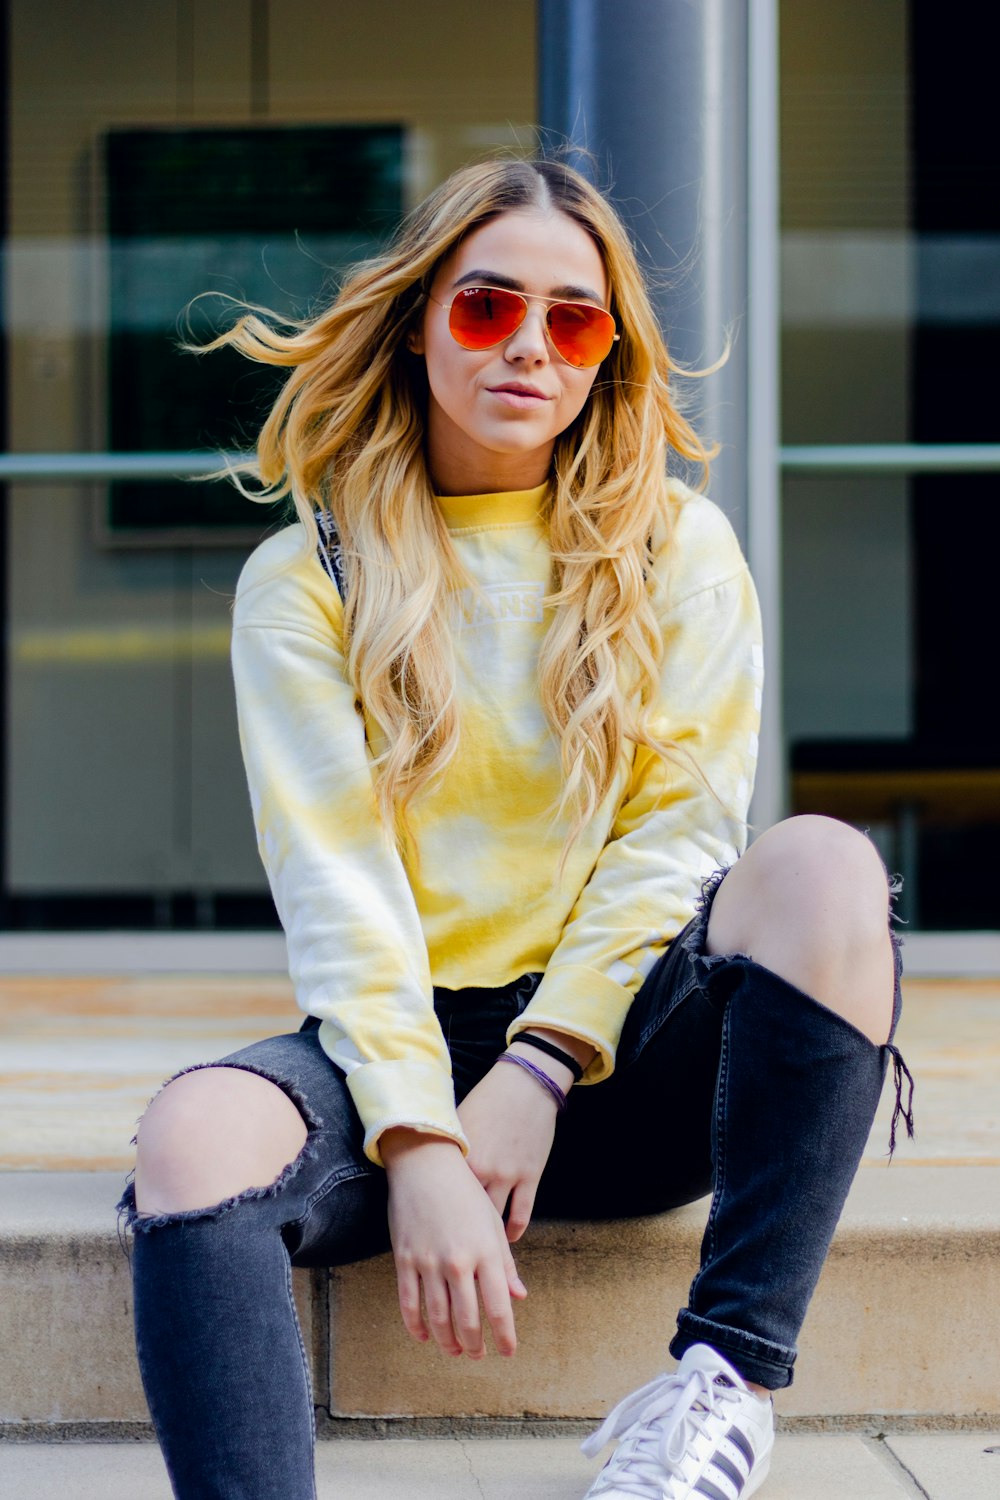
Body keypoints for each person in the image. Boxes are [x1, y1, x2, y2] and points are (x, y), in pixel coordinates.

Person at [118, 157, 911, 1500]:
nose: (531, 348)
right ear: (420, 316)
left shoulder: (677, 547)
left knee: (824, 865)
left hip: (626, 1067)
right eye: (488, 307)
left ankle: (725, 1389)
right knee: (189, 1137)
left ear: (607, 354)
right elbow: (339, 887)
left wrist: (540, 1067)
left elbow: (675, 839)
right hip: (397, 1061)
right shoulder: (307, 573)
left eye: (575, 321)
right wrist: (422, 1141)